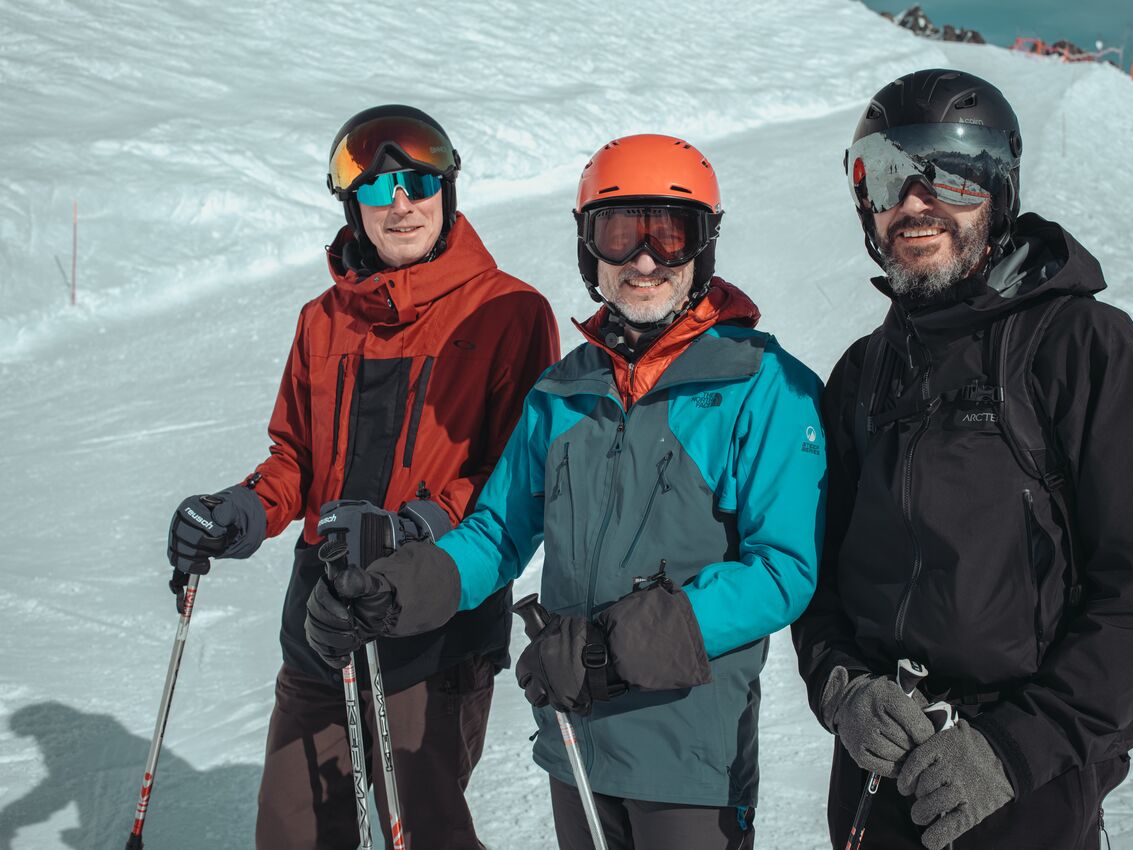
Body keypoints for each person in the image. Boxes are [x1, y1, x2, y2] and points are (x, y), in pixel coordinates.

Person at [303, 134, 828, 849]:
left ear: (704, 247)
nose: (645, 260)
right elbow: (497, 533)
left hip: (692, 758)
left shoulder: (763, 386)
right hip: (574, 744)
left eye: (671, 235)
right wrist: (395, 592)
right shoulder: (561, 390)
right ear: (589, 249)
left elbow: (783, 570)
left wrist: (616, 646)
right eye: (619, 235)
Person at [791, 69, 1133, 850]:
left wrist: (1014, 750)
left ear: (998, 191)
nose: (915, 203)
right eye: (887, 177)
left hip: (1023, 782)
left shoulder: (1082, 347)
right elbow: (818, 574)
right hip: (878, 769)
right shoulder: (864, 373)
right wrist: (844, 688)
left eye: (949, 175)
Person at [165, 104, 559, 849]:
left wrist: (416, 526)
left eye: (418, 183)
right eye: (377, 189)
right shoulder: (323, 319)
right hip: (321, 614)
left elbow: (518, 476)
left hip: (431, 620)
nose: (400, 204)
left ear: (446, 190)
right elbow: (295, 457)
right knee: (294, 833)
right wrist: (243, 508)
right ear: (352, 205)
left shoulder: (507, 312)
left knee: (426, 832)